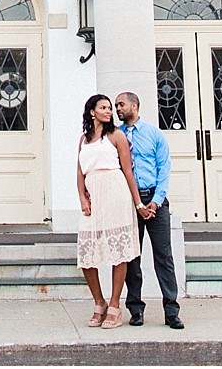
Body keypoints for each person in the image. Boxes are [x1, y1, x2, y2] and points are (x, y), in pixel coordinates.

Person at [115, 92, 183, 330]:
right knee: (132, 257)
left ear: (135, 105)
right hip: (129, 203)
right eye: (115, 106)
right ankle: (135, 309)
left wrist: (156, 201)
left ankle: (171, 311)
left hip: (155, 200)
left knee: (163, 256)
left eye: (121, 104)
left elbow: (164, 167)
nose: (118, 109)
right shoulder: (116, 136)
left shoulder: (154, 134)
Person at [76, 93, 141, 329]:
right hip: (94, 196)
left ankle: (115, 304)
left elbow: (128, 170)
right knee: (86, 253)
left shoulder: (116, 135)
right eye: (103, 108)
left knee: (118, 251)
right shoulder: (84, 139)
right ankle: (99, 301)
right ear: (92, 111)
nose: (108, 111)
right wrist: (82, 197)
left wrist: (138, 203)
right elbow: (80, 172)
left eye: (110, 108)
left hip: (116, 192)